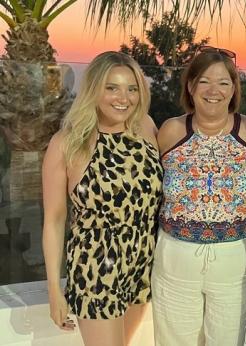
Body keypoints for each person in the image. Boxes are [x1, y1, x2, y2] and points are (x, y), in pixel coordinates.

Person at [42, 51, 163, 346]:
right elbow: (55, 219)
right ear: (94, 89)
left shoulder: (145, 127)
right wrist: (54, 290)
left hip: (143, 262)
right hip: (96, 267)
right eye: (112, 88)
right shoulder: (68, 143)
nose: (123, 98)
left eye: (131, 88)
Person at [151, 46, 246, 346]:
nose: (214, 90)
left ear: (233, 89)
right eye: (204, 81)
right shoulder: (171, 131)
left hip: (235, 259)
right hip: (175, 257)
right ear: (190, 86)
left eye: (224, 82)